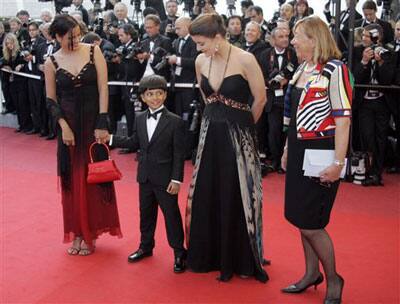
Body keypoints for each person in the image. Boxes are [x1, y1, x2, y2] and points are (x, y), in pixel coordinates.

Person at [185, 13, 268, 283]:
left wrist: (242, 127)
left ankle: (240, 259)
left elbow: (260, 99)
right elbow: (204, 96)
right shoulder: (200, 61)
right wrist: (216, 118)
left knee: (237, 193)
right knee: (206, 191)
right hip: (209, 137)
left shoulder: (246, 59)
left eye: (201, 43)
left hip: (238, 139)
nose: (199, 49)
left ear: (217, 38)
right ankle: (207, 255)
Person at [281, 16, 353, 304]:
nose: (293, 41)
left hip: (323, 150)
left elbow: (343, 121)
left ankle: (334, 278)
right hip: (300, 149)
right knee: (300, 217)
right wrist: (288, 147)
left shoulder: (336, 70)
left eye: (298, 36)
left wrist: (338, 164)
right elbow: (295, 115)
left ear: (314, 39)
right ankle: (312, 273)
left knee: (312, 222)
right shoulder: (302, 68)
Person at [44, 15, 122, 256]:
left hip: (92, 123)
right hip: (68, 126)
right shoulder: (51, 62)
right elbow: (50, 99)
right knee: (72, 180)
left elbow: (103, 87)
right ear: (57, 37)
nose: (75, 40)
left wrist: (102, 121)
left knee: (94, 177)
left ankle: (91, 232)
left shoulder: (92, 52)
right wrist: (63, 126)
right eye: (69, 37)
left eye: (77, 34)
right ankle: (77, 232)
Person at [106, 75, 187, 273]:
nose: (155, 98)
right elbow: (135, 142)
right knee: (146, 214)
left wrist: (176, 179)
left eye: (159, 93)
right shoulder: (140, 118)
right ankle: (145, 247)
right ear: (143, 97)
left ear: (165, 95)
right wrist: (110, 138)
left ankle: (179, 252)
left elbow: (179, 154)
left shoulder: (175, 122)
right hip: (145, 177)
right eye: (150, 94)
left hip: (167, 179)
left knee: (171, 216)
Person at [1, 33, 32, 133]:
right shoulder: (6, 54)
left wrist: (21, 65)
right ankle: (21, 124)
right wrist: (5, 67)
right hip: (12, 82)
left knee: (23, 104)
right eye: (7, 44)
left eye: (11, 43)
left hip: (22, 82)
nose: (10, 45)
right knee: (17, 104)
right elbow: (2, 62)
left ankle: (27, 125)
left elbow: (27, 62)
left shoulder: (20, 52)